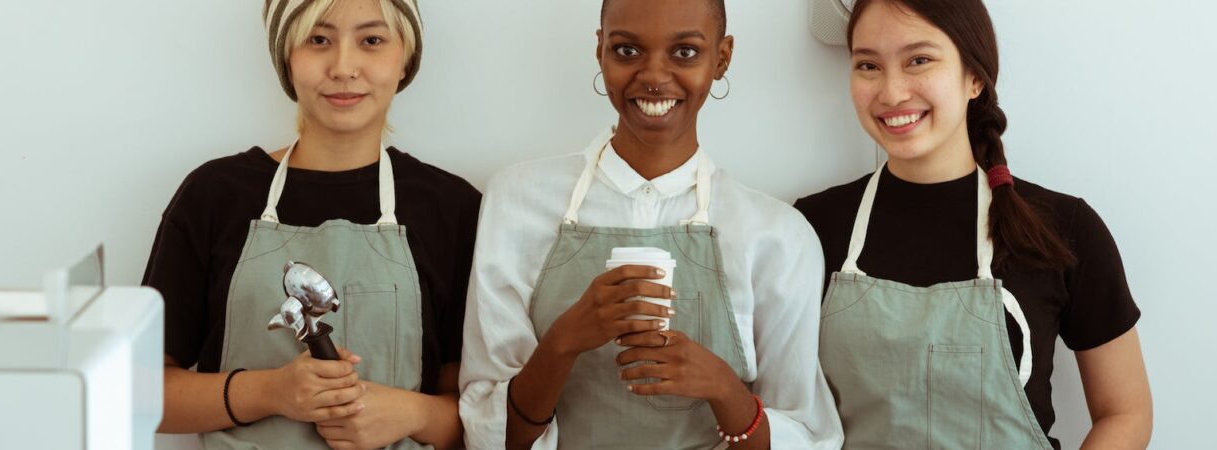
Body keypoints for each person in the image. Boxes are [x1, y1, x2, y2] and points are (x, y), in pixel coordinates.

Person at [458, 0, 843, 448]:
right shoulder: (517, 201)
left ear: (722, 58)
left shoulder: (777, 236)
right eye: (627, 51)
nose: (654, 77)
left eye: (685, 53)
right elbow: (487, 433)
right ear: (600, 50)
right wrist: (563, 342)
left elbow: (807, 436)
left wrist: (723, 387)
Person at [793, 0, 1154, 448]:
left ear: (975, 77)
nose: (890, 92)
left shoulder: (1064, 226)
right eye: (868, 65)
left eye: (919, 60)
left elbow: (1126, 411)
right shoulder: (810, 227)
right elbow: (788, 410)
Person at [144, 1, 479, 448]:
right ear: (287, 57)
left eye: (372, 41)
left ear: (405, 59)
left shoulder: (451, 207)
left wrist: (415, 413)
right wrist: (270, 392)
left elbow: (487, 414)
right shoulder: (214, 194)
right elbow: (140, 392)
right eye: (318, 40)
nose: (343, 67)